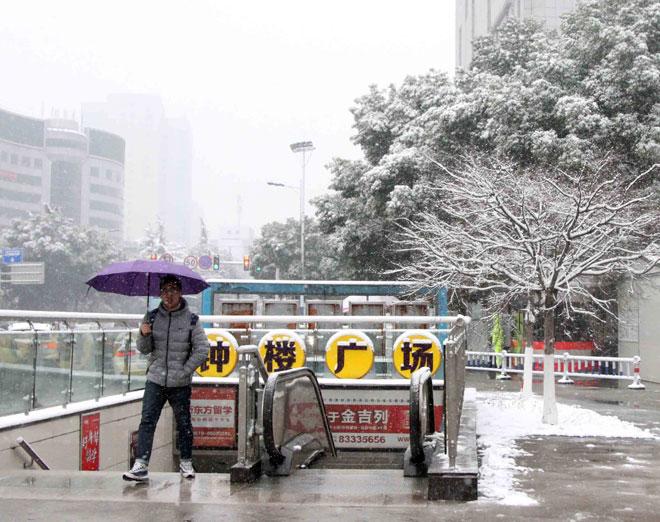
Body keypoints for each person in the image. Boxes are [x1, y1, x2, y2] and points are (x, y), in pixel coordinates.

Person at [123, 274, 210, 482]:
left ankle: (186, 462)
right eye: (164, 291)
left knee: (183, 423)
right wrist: (144, 334)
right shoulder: (151, 317)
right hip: (155, 379)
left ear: (180, 292)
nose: (168, 296)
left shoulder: (191, 320)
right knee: (147, 422)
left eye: (172, 290)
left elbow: (202, 348)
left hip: (179, 382)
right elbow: (144, 349)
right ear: (160, 294)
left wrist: (185, 370)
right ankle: (141, 464)